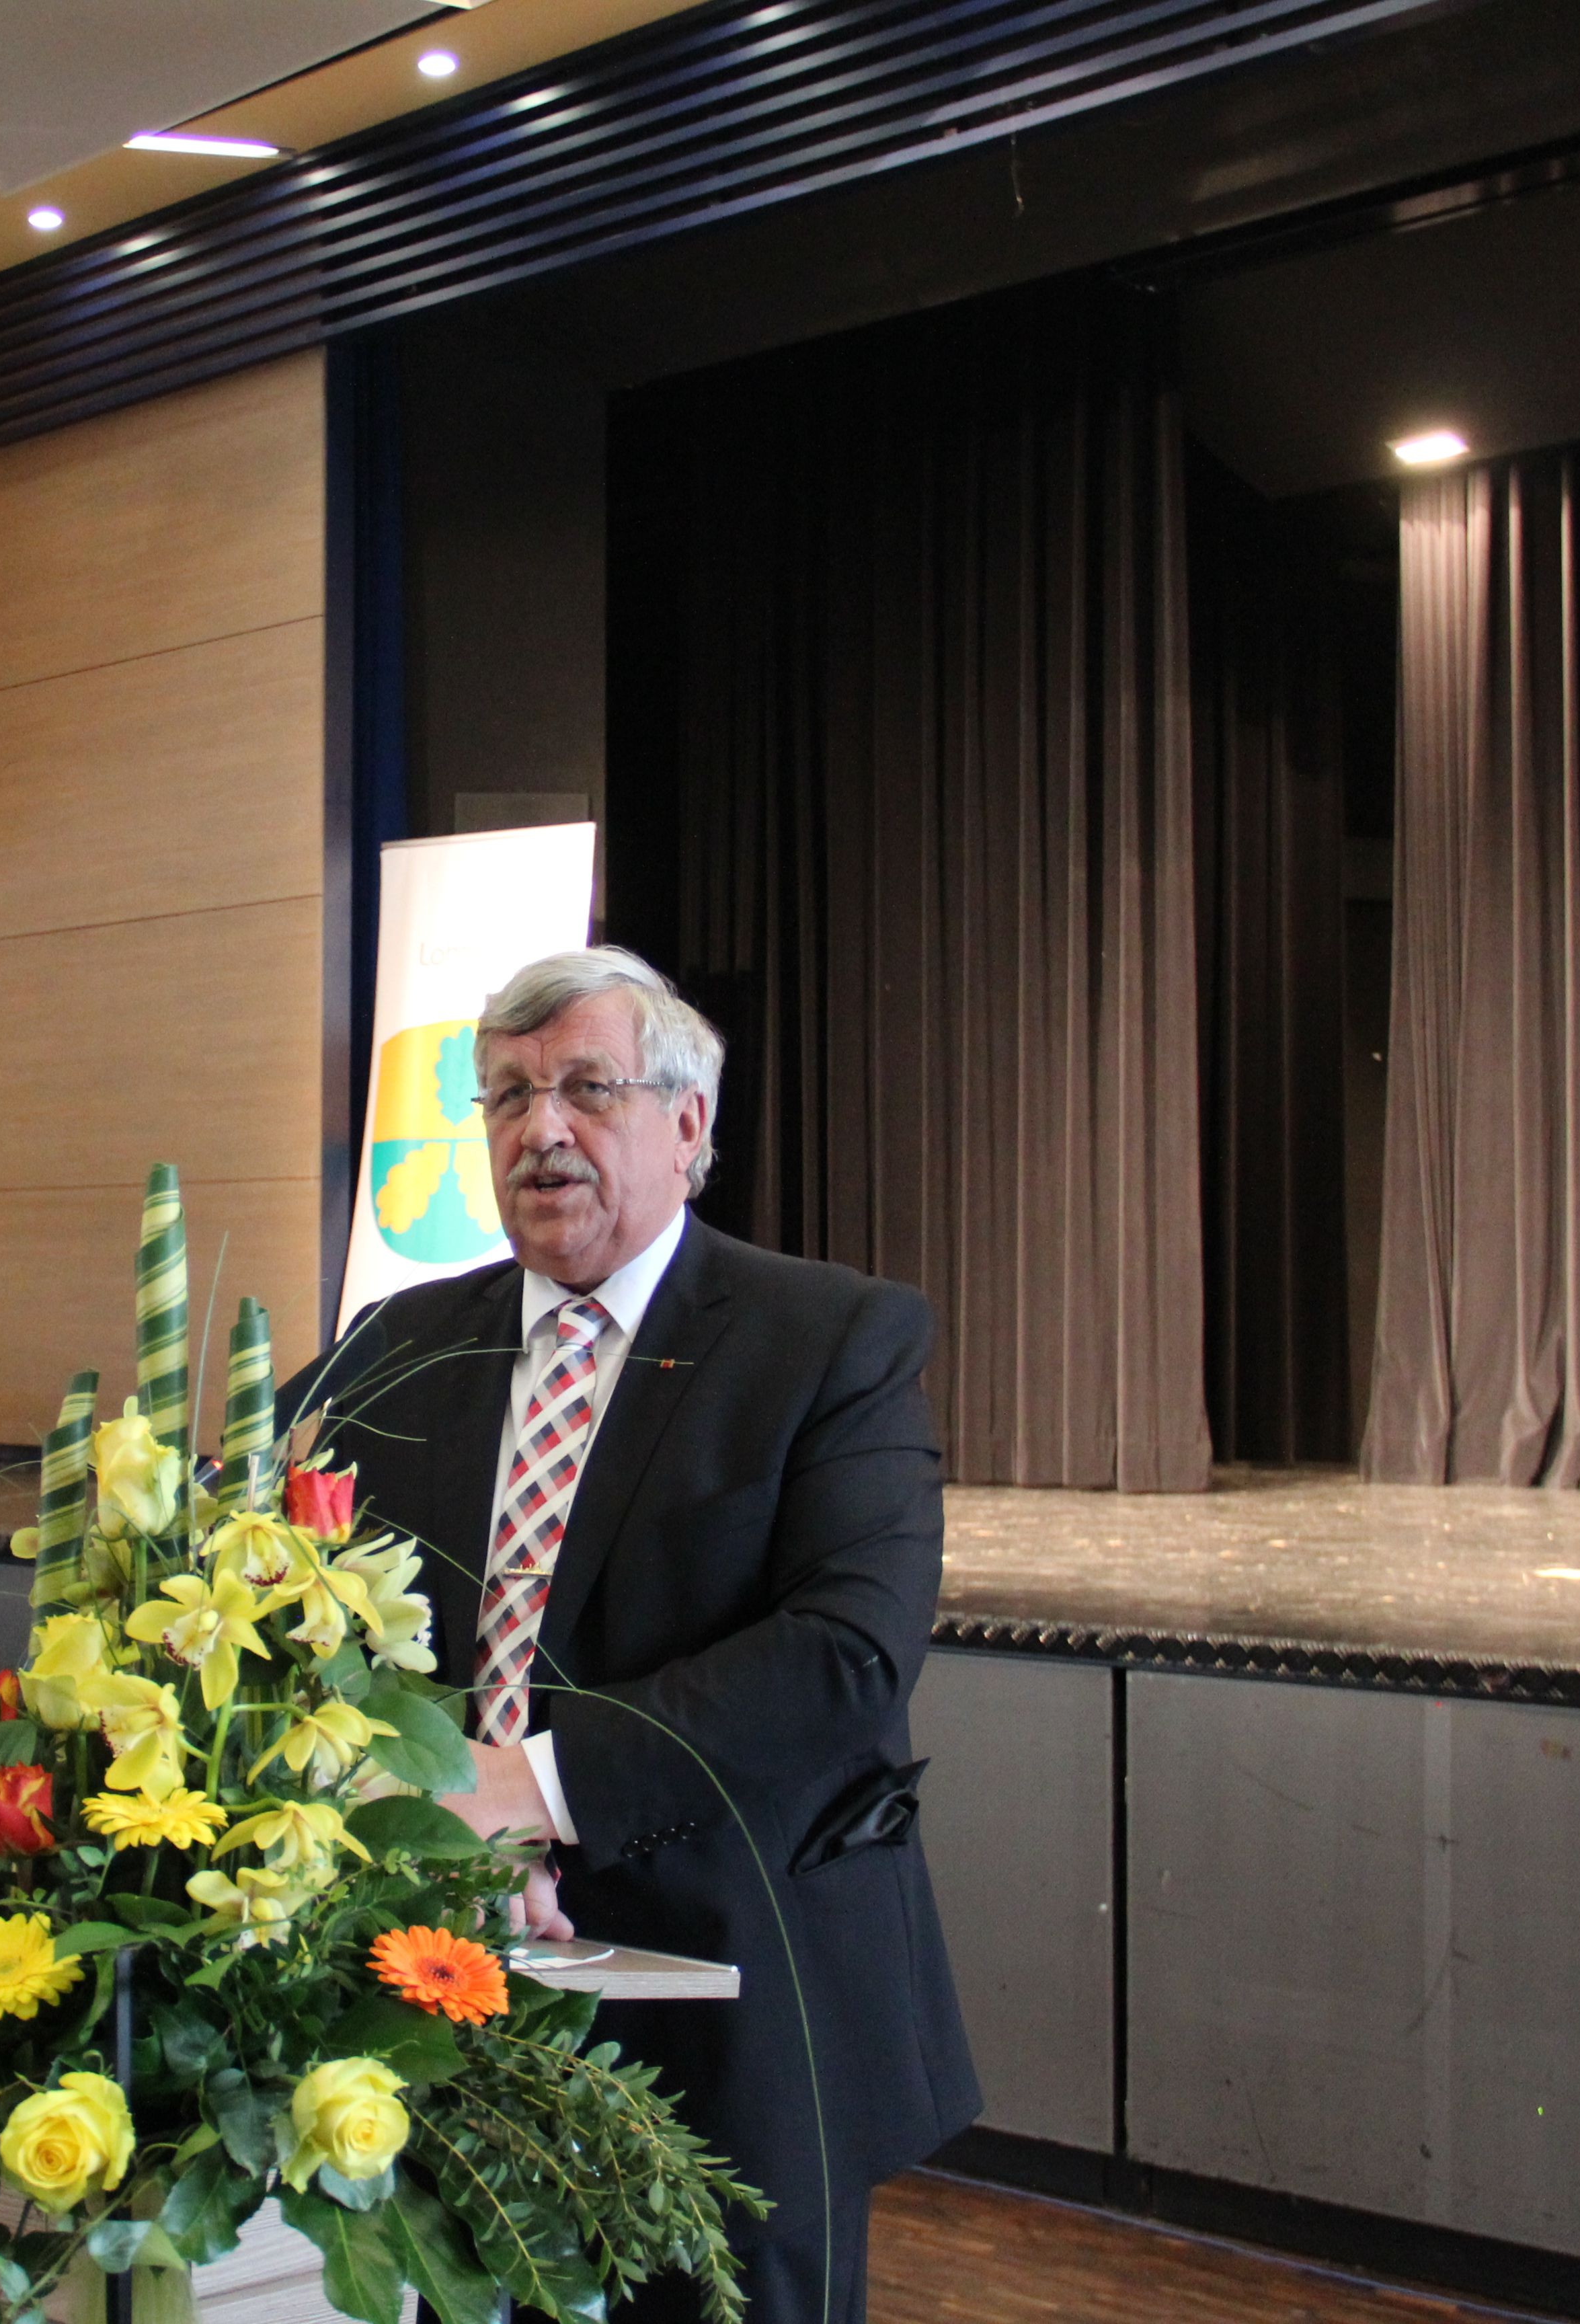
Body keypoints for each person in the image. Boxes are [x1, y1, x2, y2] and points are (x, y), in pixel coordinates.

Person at [292, 947, 974, 2324]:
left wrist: (529, 1794)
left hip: (735, 2002)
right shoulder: (394, 1347)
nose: (541, 1130)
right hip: (435, 1988)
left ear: (689, 1126)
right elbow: (270, 1595)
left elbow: (844, 1652)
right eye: (507, 1097)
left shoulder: (831, 1337)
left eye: (587, 1088)